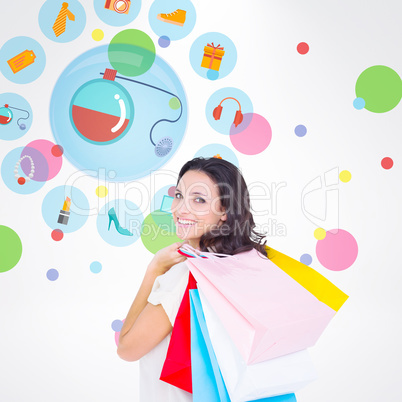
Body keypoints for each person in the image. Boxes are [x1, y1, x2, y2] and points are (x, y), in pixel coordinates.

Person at [117, 156, 268, 401]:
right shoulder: (247, 266)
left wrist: (154, 269)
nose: (180, 209)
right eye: (178, 195)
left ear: (225, 212)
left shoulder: (186, 275)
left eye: (199, 199)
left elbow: (127, 348)